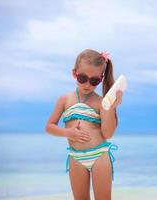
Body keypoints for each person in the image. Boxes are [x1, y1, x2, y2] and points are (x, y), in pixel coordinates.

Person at [45, 49, 122, 200]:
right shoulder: (65, 99)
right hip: (76, 157)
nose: (87, 84)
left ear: (100, 79)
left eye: (94, 81)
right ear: (74, 73)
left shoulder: (101, 102)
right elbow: (49, 126)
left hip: (99, 155)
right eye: (82, 78)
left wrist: (112, 107)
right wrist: (68, 133)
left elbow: (108, 133)